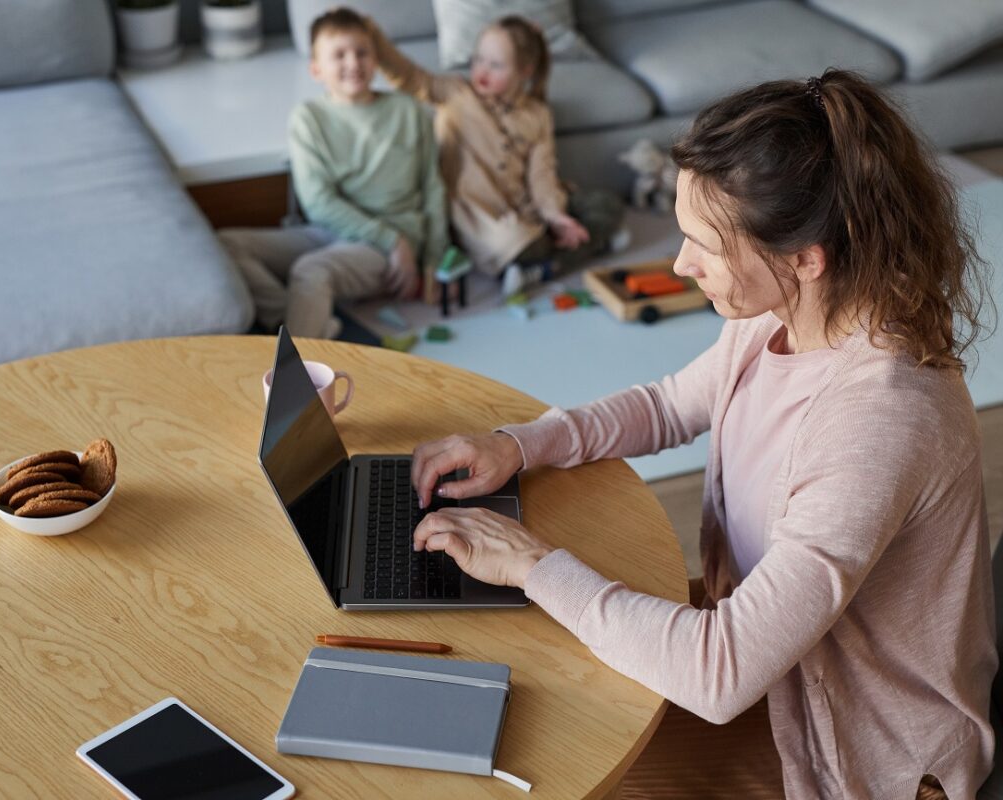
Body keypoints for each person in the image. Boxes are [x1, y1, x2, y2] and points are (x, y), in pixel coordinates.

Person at [409, 70, 996, 799]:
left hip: (852, 751)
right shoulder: (784, 317)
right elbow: (667, 405)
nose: (682, 266)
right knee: (526, 669)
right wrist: (520, 445)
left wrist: (533, 563)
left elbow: (717, 675)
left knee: (542, 763)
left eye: (703, 246)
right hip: (771, 660)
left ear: (803, 259)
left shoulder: (879, 418)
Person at [218, 8, 448, 340]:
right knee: (226, 245)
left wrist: (432, 264)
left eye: (362, 52)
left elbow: (433, 190)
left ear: (375, 59)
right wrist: (390, 239)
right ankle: (303, 322)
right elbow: (319, 203)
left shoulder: (408, 112)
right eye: (339, 55)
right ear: (316, 69)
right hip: (328, 231)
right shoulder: (308, 118)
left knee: (310, 272)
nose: (353, 63)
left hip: (391, 246)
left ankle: (294, 381)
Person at [362, 13, 626, 296]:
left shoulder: (537, 114)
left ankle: (558, 251)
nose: (482, 71)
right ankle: (577, 251)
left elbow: (542, 174)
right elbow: (409, 77)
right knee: (521, 244)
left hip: (530, 204)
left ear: (525, 70)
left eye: (496, 65)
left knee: (607, 203)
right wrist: (373, 36)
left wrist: (555, 216)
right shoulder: (455, 94)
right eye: (478, 60)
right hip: (481, 216)